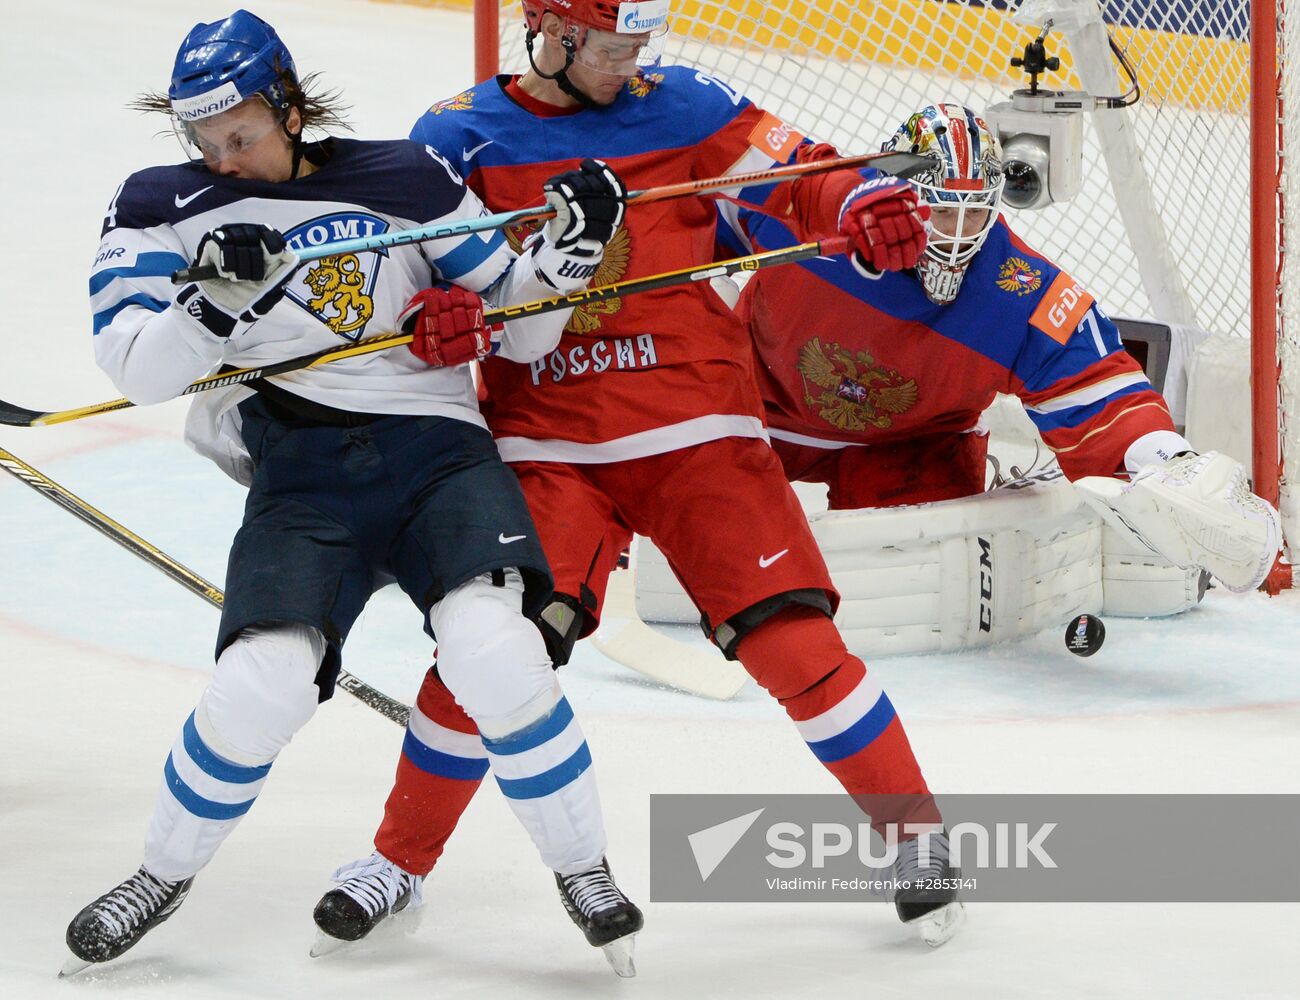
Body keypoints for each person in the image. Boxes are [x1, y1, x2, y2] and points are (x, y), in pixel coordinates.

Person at [314, 0, 963, 955]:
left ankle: (918, 840)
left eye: (639, 45)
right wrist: (435, 321)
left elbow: (802, 174)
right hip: (546, 444)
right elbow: (407, 280)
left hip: (697, 426)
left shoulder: (688, 106)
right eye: (616, 45)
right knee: (491, 653)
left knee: (793, 642)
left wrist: (859, 204)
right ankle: (397, 864)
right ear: (557, 35)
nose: (634, 62)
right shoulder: (456, 138)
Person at [65, 9, 641, 976]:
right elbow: (137, 367)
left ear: (287, 106)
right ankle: (161, 874)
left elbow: (524, 327)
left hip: (440, 459)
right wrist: (212, 309)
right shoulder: (158, 201)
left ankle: (583, 869)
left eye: (240, 135)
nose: (223, 157)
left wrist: (568, 258)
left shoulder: (406, 176)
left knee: (497, 656)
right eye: (204, 140)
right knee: (264, 683)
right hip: (303, 474)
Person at [730, 102, 1281, 596]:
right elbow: (693, 224)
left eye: (978, 213)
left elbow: (1095, 383)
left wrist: (1167, 462)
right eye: (944, 211)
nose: (960, 235)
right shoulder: (809, 212)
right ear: (902, 191)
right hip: (756, 413)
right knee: (682, 511)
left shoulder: (1016, 286)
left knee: (926, 580)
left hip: (912, 447)